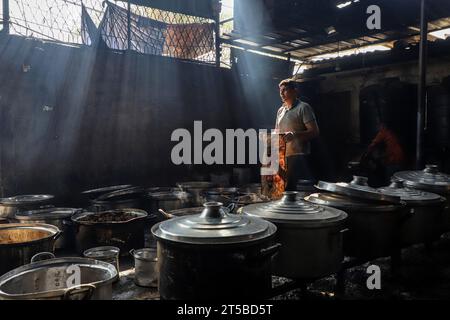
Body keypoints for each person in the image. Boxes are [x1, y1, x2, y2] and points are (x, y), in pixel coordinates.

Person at [275, 79, 320, 191]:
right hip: (282, 155)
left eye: (285, 90)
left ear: (295, 91)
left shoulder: (303, 107)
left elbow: (314, 132)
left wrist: (294, 135)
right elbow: (277, 131)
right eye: (280, 91)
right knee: (280, 187)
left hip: (298, 155)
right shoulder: (280, 110)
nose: (281, 93)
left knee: (290, 188)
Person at [361, 121, 407, 186]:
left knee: (390, 182)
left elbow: (374, 144)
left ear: (383, 126)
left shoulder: (383, 133)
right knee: (397, 182)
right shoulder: (392, 134)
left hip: (393, 162)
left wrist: (366, 154)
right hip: (400, 161)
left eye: (379, 126)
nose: (378, 127)